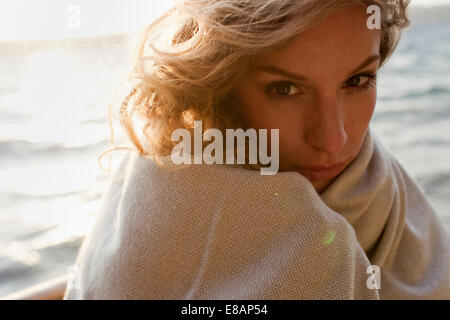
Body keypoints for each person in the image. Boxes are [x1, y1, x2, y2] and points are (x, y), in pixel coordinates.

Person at [64, 0, 450, 299]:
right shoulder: (169, 196)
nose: (334, 138)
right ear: (219, 87)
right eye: (285, 89)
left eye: (358, 80)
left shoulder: (377, 178)